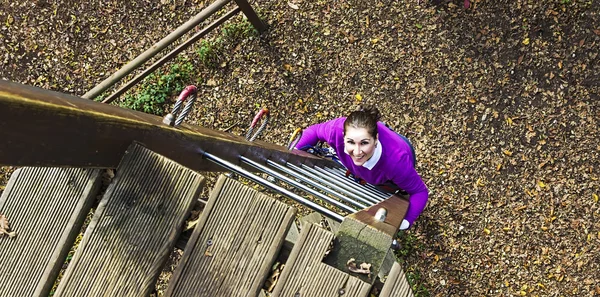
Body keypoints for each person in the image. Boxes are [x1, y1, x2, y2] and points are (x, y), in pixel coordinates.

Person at [295, 106, 428, 230]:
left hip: (399, 152)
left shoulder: (396, 163)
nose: (357, 152)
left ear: (376, 139)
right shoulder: (335, 130)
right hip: (378, 153)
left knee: (393, 187)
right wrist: (295, 151)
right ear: (343, 136)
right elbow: (315, 131)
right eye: (351, 142)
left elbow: (420, 192)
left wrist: (404, 222)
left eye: (364, 143)